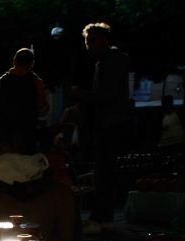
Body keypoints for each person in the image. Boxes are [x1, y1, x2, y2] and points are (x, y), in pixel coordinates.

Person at [73, 22, 131, 227]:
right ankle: (102, 213)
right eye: (87, 42)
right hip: (106, 122)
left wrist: (82, 95)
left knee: (106, 170)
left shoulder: (112, 61)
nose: (88, 46)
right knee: (103, 170)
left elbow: (107, 95)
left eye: (91, 41)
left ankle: (103, 214)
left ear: (104, 41)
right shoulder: (104, 62)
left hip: (111, 123)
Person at [0, 48, 48, 154]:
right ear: (32, 64)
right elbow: (43, 107)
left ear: (14, 61)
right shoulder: (37, 83)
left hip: (2, 137)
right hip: (27, 138)